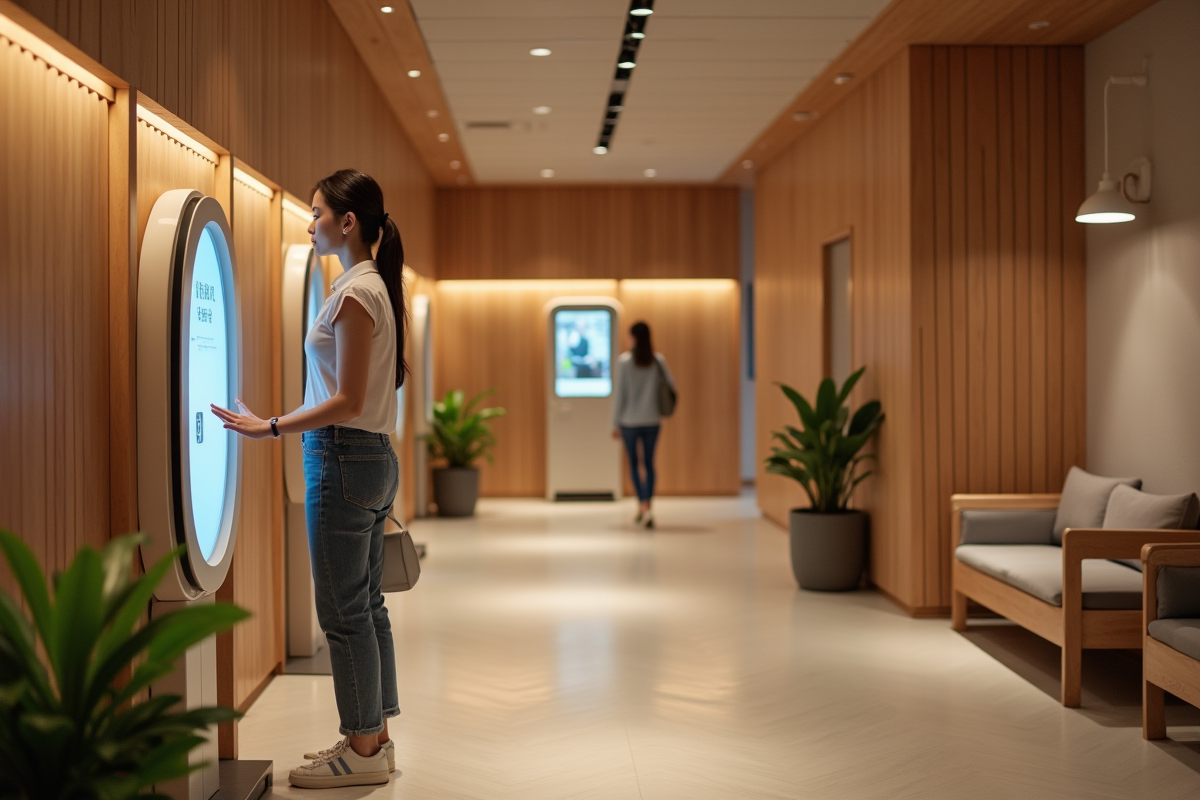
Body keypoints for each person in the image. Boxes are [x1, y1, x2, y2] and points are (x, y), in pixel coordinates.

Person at [212, 169, 407, 790]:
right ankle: (369, 739)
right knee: (366, 606)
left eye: (317, 213)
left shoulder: (356, 293)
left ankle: (364, 750)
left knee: (345, 612)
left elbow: (347, 398)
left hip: (344, 457)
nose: (310, 223)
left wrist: (269, 425)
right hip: (370, 458)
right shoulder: (372, 287)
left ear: (348, 223)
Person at [611, 321, 675, 529]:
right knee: (649, 464)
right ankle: (647, 506)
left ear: (634, 338)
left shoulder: (624, 362)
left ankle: (642, 505)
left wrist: (614, 423)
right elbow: (671, 387)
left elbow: (619, 395)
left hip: (629, 421)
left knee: (634, 464)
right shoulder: (657, 361)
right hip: (652, 420)